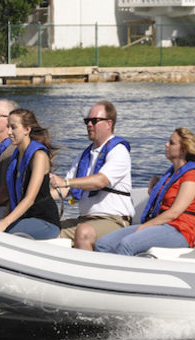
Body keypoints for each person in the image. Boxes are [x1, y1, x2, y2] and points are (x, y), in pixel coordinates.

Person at [95, 128, 195, 256]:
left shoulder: (193, 176)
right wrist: (156, 182)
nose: (166, 144)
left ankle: (122, 275)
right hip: (162, 226)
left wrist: (145, 226)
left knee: (127, 244)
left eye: (171, 143)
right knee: (103, 244)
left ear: (183, 150)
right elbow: (167, 195)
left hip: (180, 231)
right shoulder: (173, 174)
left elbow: (174, 212)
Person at [49, 100, 134, 250]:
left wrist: (67, 182)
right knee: (49, 230)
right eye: (87, 121)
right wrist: (36, 198)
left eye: (94, 121)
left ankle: (86, 272)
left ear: (109, 123)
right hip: (85, 220)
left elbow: (100, 181)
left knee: (84, 232)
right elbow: (64, 190)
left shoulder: (119, 151)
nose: (89, 125)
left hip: (114, 221)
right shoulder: (84, 155)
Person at [0, 108, 61, 240]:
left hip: (45, 222)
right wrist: (4, 218)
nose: (9, 132)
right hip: (25, 219)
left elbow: (30, 198)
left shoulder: (39, 156)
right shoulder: (16, 156)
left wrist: (5, 222)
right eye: (8, 127)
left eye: (14, 127)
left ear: (27, 129)